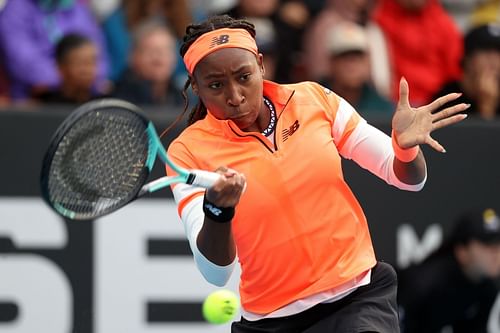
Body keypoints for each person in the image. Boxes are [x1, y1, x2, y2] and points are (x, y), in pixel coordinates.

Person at [165, 14, 468, 333]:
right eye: (215, 85)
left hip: (357, 301)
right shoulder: (188, 152)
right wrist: (218, 210)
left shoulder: (312, 99)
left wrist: (405, 150)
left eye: (244, 76)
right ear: (196, 86)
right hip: (271, 322)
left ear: (261, 64)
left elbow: (408, 179)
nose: (235, 96)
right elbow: (215, 272)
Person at [398, 208, 500, 333]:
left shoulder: (487, 291)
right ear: (462, 251)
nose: (496, 253)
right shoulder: (427, 285)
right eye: (488, 245)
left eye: (498, 244)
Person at [0, 0, 108, 102]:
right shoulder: (15, 10)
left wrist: (84, 75)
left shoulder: (77, 8)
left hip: (82, 98)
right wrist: (68, 78)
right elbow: (23, 63)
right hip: (34, 102)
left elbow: (100, 60)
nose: (84, 70)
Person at [372, 0, 463, 106]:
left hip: (435, 104)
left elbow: (454, 72)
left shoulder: (444, 24)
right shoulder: (378, 20)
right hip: (389, 104)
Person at [321, 21, 394, 118]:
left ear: (368, 62)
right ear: (331, 62)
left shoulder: (383, 108)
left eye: (357, 57)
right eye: (344, 56)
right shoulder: (314, 100)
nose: (352, 65)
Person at [434, 23, 500, 120]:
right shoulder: (447, 98)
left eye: (498, 53)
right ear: (467, 58)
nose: (493, 59)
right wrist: (486, 107)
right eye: (485, 51)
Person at [111, 20, 182, 106]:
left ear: (175, 58)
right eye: (150, 51)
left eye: (166, 51)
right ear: (133, 56)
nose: (158, 58)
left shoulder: (183, 99)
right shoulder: (117, 101)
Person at [34, 33, 106, 105]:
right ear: (61, 67)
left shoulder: (103, 104)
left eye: (91, 62)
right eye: (79, 63)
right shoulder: (45, 104)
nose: (87, 71)